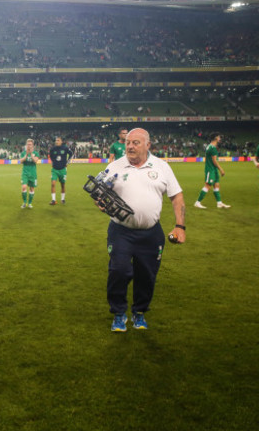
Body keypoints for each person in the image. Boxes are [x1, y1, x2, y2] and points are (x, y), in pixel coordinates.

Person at [99, 128, 186, 332]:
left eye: (136, 142)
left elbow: (177, 197)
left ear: (148, 145)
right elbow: (99, 192)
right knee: (119, 271)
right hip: (121, 231)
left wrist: (180, 226)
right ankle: (119, 313)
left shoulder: (162, 167)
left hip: (151, 233)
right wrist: (101, 202)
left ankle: (139, 312)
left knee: (147, 275)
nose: (130, 146)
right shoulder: (114, 166)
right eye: (128, 142)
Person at [193, 132, 231, 209]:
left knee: (216, 185)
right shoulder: (212, 148)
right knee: (208, 185)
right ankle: (197, 202)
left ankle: (219, 203)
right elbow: (214, 161)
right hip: (210, 170)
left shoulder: (210, 146)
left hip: (213, 169)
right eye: (219, 137)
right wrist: (221, 169)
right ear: (215, 138)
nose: (220, 138)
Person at [48, 136, 73, 205]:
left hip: (63, 170)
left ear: (61, 141)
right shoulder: (53, 149)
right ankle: (53, 200)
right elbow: (50, 155)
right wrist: (52, 162)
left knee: (62, 185)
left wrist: (68, 162)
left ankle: (62, 199)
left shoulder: (65, 148)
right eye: (56, 140)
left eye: (58, 140)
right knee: (53, 184)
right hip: (54, 170)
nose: (57, 142)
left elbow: (71, 154)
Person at [20, 138, 40, 208]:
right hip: (25, 173)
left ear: (33, 145)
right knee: (24, 187)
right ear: (26, 145)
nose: (29, 146)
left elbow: (35, 161)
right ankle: (24, 202)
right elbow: (21, 161)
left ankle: (30, 203)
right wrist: (26, 155)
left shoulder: (36, 153)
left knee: (32, 188)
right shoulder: (23, 153)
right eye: (28, 144)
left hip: (33, 173)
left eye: (30, 144)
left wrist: (31, 154)